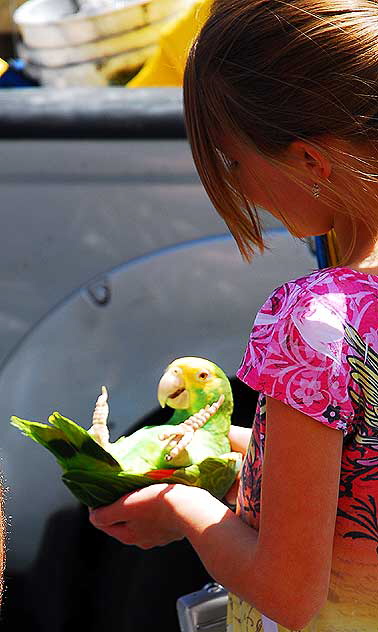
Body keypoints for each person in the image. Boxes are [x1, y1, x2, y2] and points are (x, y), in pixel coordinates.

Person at [89, 1, 378, 630]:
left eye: (233, 160)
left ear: (309, 160)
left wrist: (183, 509)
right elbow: (359, 470)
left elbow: (289, 594)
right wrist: (221, 452)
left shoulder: (320, 318)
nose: (236, 186)